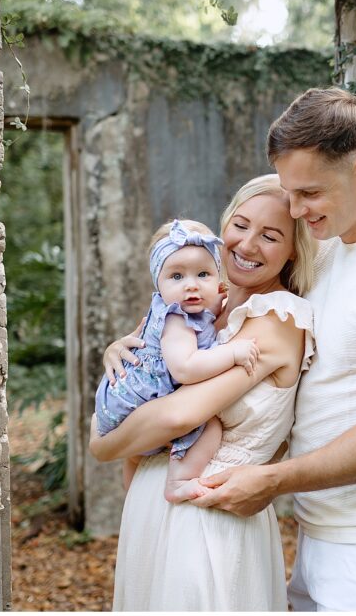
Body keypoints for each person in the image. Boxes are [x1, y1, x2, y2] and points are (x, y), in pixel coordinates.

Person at [105, 88, 356, 610]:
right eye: (290, 193)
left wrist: (271, 482)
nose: (296, 209)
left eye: (310, 193)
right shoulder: (324, 257)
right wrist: (133, 351)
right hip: (318, 534)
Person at [89, 174, 317, 610]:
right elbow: (138, 381)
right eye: (240, 224)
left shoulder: (279, 318)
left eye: (270, 236)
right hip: (151, 503)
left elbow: (178, 415)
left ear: (293, 250)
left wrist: (102, 448)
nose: (247, 245)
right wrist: (118, 352)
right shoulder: (197, 300)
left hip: (209, 512)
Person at [92, 218, 260, 502]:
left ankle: (135, 499)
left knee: (134, 458)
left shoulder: (192, 311)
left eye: (203, 274)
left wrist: (217, 303)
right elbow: (185, 369)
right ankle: (178, 481)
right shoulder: (176, 320)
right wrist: (232, 353)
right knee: (211, 426)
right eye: (177, 277)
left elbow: (207, 317)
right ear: (158, 283)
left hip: (120, 405)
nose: (191, 286)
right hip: (135, 402)